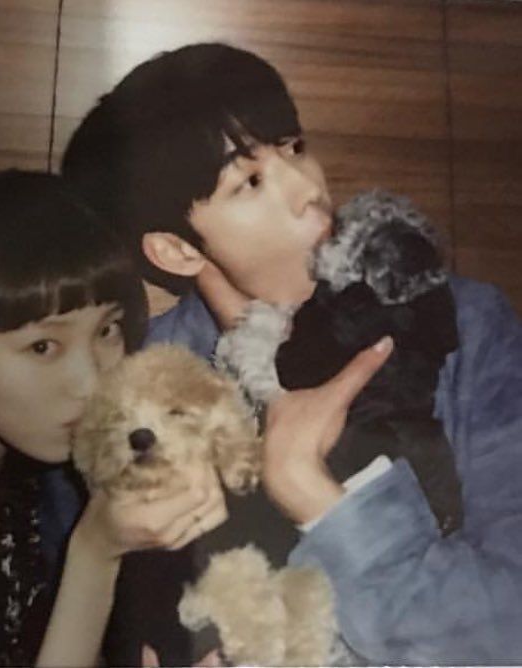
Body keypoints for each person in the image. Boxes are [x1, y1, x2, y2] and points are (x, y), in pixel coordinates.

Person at [56, 43, 522, 664]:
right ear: (176, 251)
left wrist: (319, 497)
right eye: (250, 181)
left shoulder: (461, 325)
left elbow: (507, 634)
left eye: (295, 148)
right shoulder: (143, 396)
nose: (309, 189)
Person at [0, 170, 226, 666]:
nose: (92, 382)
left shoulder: (11, 483)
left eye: (108, 329)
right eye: (43, 346)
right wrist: (95, 554)